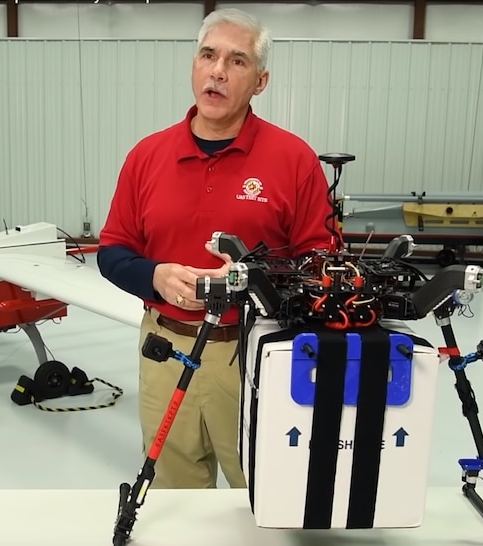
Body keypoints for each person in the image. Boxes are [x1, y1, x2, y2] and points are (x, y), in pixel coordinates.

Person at [97, 7, 336, 489]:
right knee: (175, 494)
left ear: (260, 81)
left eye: (237, 61)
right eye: (208, 55)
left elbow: (322, 262)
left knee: (265, 492)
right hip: (165, 350)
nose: (219, 71)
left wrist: (259, 276)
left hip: (254, 353)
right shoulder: (147, 157)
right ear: (194, 66)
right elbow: (113, 251)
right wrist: (156, 276)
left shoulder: (294, 160)